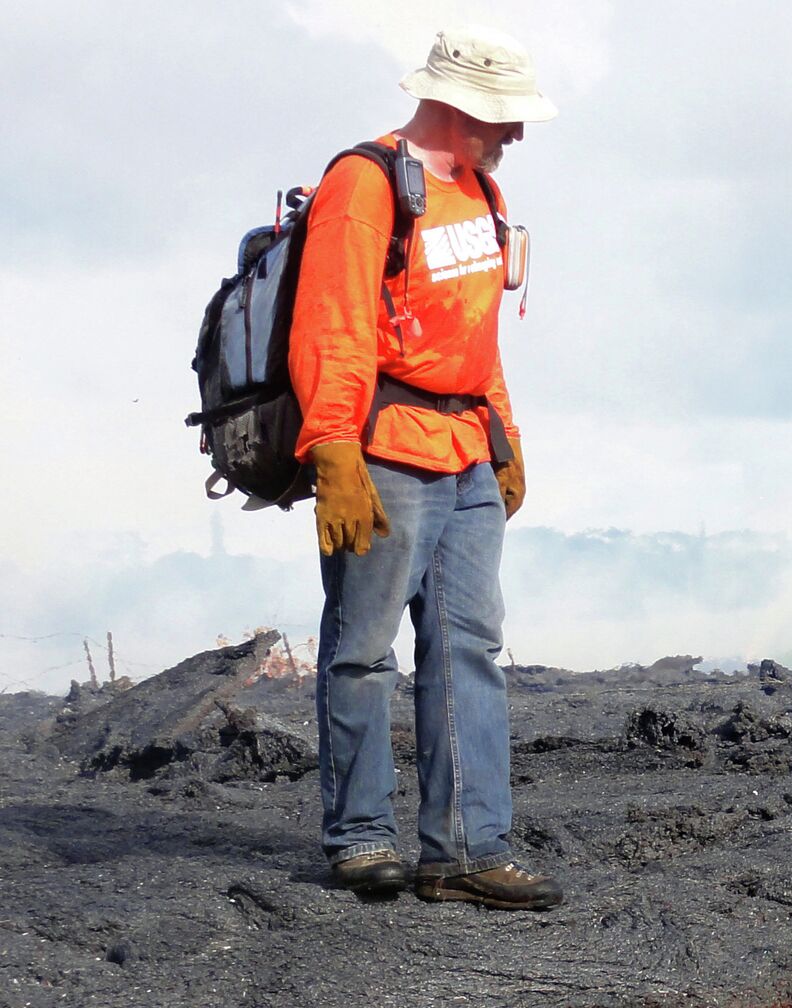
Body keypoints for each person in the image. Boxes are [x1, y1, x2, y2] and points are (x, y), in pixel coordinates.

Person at [288, 25, 562, 910]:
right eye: (503, 119)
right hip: (384, 453)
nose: (515, 135)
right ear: (456, 105)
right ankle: (363, 838)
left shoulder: (481, 191)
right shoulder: (366, 185)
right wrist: (333, 450)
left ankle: (468, 850)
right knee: (364, 652)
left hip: (466, 452)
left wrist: (505, 436)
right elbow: (331, 325)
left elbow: (475, 337)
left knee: (469, 650)